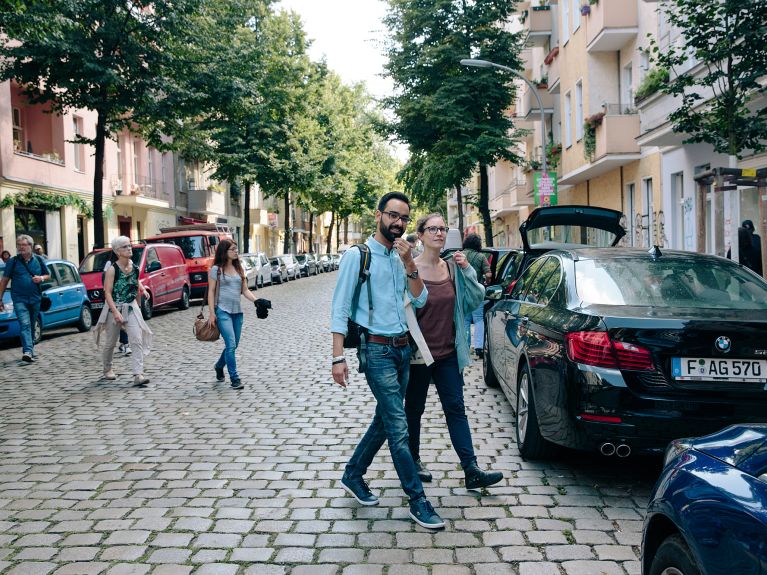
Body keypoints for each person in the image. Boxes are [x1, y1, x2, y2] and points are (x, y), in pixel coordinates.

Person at [330, 191, 444, 530]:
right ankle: (418, 499)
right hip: (376, 350)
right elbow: (339, 309)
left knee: (385, 418)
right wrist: (338, 357)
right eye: (393, 215)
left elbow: (420, 299)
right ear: (378, 214)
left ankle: (353, 474)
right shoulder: (358, 256)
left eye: (404, 218)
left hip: (402, 349)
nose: (398, 223)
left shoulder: (400, 256)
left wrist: (410, 264)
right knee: (398, 424)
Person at [405, 214, 503, 491]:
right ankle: (412, 460)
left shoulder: (452, 266)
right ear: (421, 234)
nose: (438, 233)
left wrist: (468, 271)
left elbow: (475, 299)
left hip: (448, 353)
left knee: (456, 409)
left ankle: (471, 469)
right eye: (432, 229)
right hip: (418, 354)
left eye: (442, 229)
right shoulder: (410, 267)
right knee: (414, 410)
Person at [95, 236, 153, 386]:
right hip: (115, 307)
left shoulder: (134, 267)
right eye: (125, 247)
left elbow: (134, 280)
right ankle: (107, 369)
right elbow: (107, 292)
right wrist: (115, 312)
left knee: (136, 339)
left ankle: (138, 374)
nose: (129, 248)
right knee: (111, 342)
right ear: (117, 251)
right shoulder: (112, 270)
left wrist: (142, 289)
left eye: (129, 246)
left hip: (131, 306)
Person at [206, 239, 258, 390]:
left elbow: (245, 290)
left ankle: (219, 365)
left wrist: (257, 301)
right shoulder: (216, 269)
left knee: (234, 345)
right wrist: (211, 313)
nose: (236, 252)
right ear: (224, 252)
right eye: (233, 249)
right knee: (231, 344)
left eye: (236, 249)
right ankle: (235, 378)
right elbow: (211, 291)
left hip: (237, 313)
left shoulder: (239, 269)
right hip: (222, 311)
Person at [0, 235, 50, 363]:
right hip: (19, 298)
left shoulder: (39, 259)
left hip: (35, 298)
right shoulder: (13, 261)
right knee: (25, 324)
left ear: (30, 246)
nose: (20, 247)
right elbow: (4, 280)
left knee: (32, 324)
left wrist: (41, 278)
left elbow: (48, 275)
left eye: (23, 245)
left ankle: (30, 350)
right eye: (18, 245)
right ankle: (27, 350)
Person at [461, 233, 491, 358]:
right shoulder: (481, 256)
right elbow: (488, 274)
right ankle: (479, 348)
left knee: (465, 321)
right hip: (476, 293)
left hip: (462, 292)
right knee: (478, 319)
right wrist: (486, 283)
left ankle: (465, 348)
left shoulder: (460, 255)